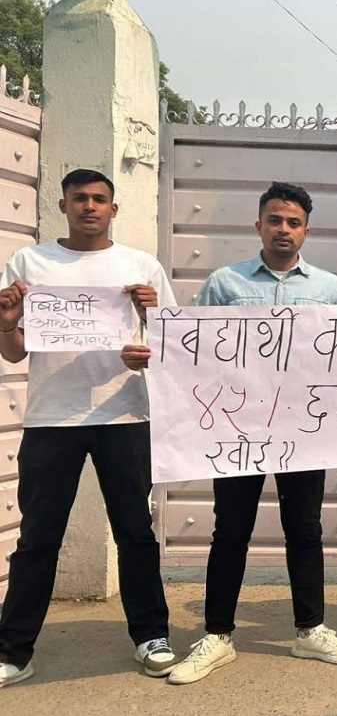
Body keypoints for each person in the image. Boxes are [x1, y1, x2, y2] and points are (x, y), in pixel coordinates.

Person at [123, 182, 337, 683]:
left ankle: (310, 629)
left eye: (293, 223)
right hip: (238, 432)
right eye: (275, 220)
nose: (283, 230)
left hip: (303, 433)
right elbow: (191, 349)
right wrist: (154, 355)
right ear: (259, 226)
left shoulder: (329, 289)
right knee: (230, 531)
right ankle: (217, 635)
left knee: (305, 529)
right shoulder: (224, 283)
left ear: (307, 232)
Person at [0, 169, 178, 687]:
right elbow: (15, 352)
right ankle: (13, 650)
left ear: (114, 209)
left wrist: (151, 323)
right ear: (63, 206)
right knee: (38, 537)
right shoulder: (29, 262)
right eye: (80, 198)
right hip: (51, 418)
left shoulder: (140, 265)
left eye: (100, 199)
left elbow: (172, 346)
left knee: (135, 531)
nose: (90, 207)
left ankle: (152, 636)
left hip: (124, 415)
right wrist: (7, 323)